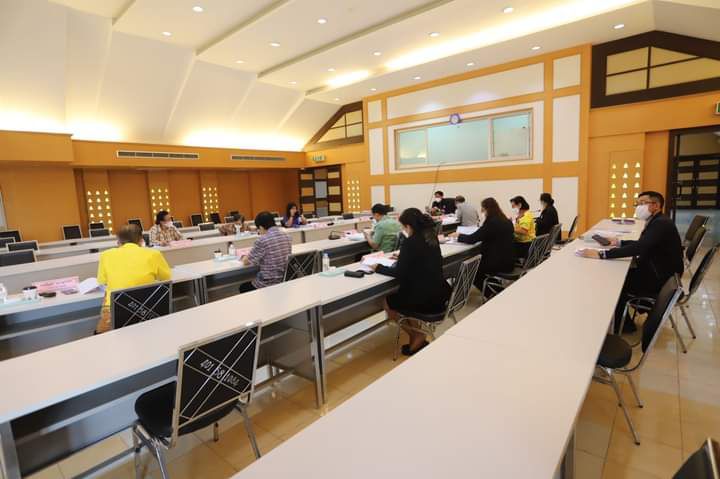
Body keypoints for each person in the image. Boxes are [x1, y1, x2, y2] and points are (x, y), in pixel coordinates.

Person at [577, 191, 683, 332]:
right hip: (659, 271)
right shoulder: (659, 221)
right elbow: (644, 244)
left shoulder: (660, 224)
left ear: (656, 205)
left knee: (615, 282)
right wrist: (619, 242)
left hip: (660, 278)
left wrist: (602, 254)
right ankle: (621, 321)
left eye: (642, 203)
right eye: (637, 204)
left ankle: (624, 325)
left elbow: (640, 247)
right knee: (617, 276)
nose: (639, 207)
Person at [373, 208, 451, 356]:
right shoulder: (430, 236)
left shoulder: (410, 242)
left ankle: (416, 334)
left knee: (388, 302)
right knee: (406, 296)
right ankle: (417, 336)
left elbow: (399, 273)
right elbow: (422, 258)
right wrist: (403, 258)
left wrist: (378, 267)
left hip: (425, 300)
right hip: (440, 294)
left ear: (408, 226)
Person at [95, 224, 171, 334]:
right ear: (141, 240)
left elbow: (102, 281)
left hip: (115, 309)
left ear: (118, 241)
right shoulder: (154, 254)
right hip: (148, 307)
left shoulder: (105, 255)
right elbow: (166, 277)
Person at [450, 197, 515, 290]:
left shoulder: (491, 223)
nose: (481, 211)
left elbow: (472, 239)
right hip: (509, 260)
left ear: (487, 209)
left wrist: (458, 235)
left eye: (483, 209)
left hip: (497, 263)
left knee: (471, 270)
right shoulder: (507, 221)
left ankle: (492, 293)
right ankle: (495, 289)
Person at [239, 211, 292, 292]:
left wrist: (243, 256)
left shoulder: (262, 240)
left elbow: (246, 262)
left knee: (242, 287)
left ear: (261, 227)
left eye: (258, 229)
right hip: (284, 280)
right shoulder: (287, 236)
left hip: (268, 284)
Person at [510, 195, 536, 259]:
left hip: (526, 245)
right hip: (523, 242)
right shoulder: (521, 215)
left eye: (513, 206)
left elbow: (523, 231)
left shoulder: (526, 215)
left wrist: (510, 228)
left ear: (519, 205)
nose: (512, 208)